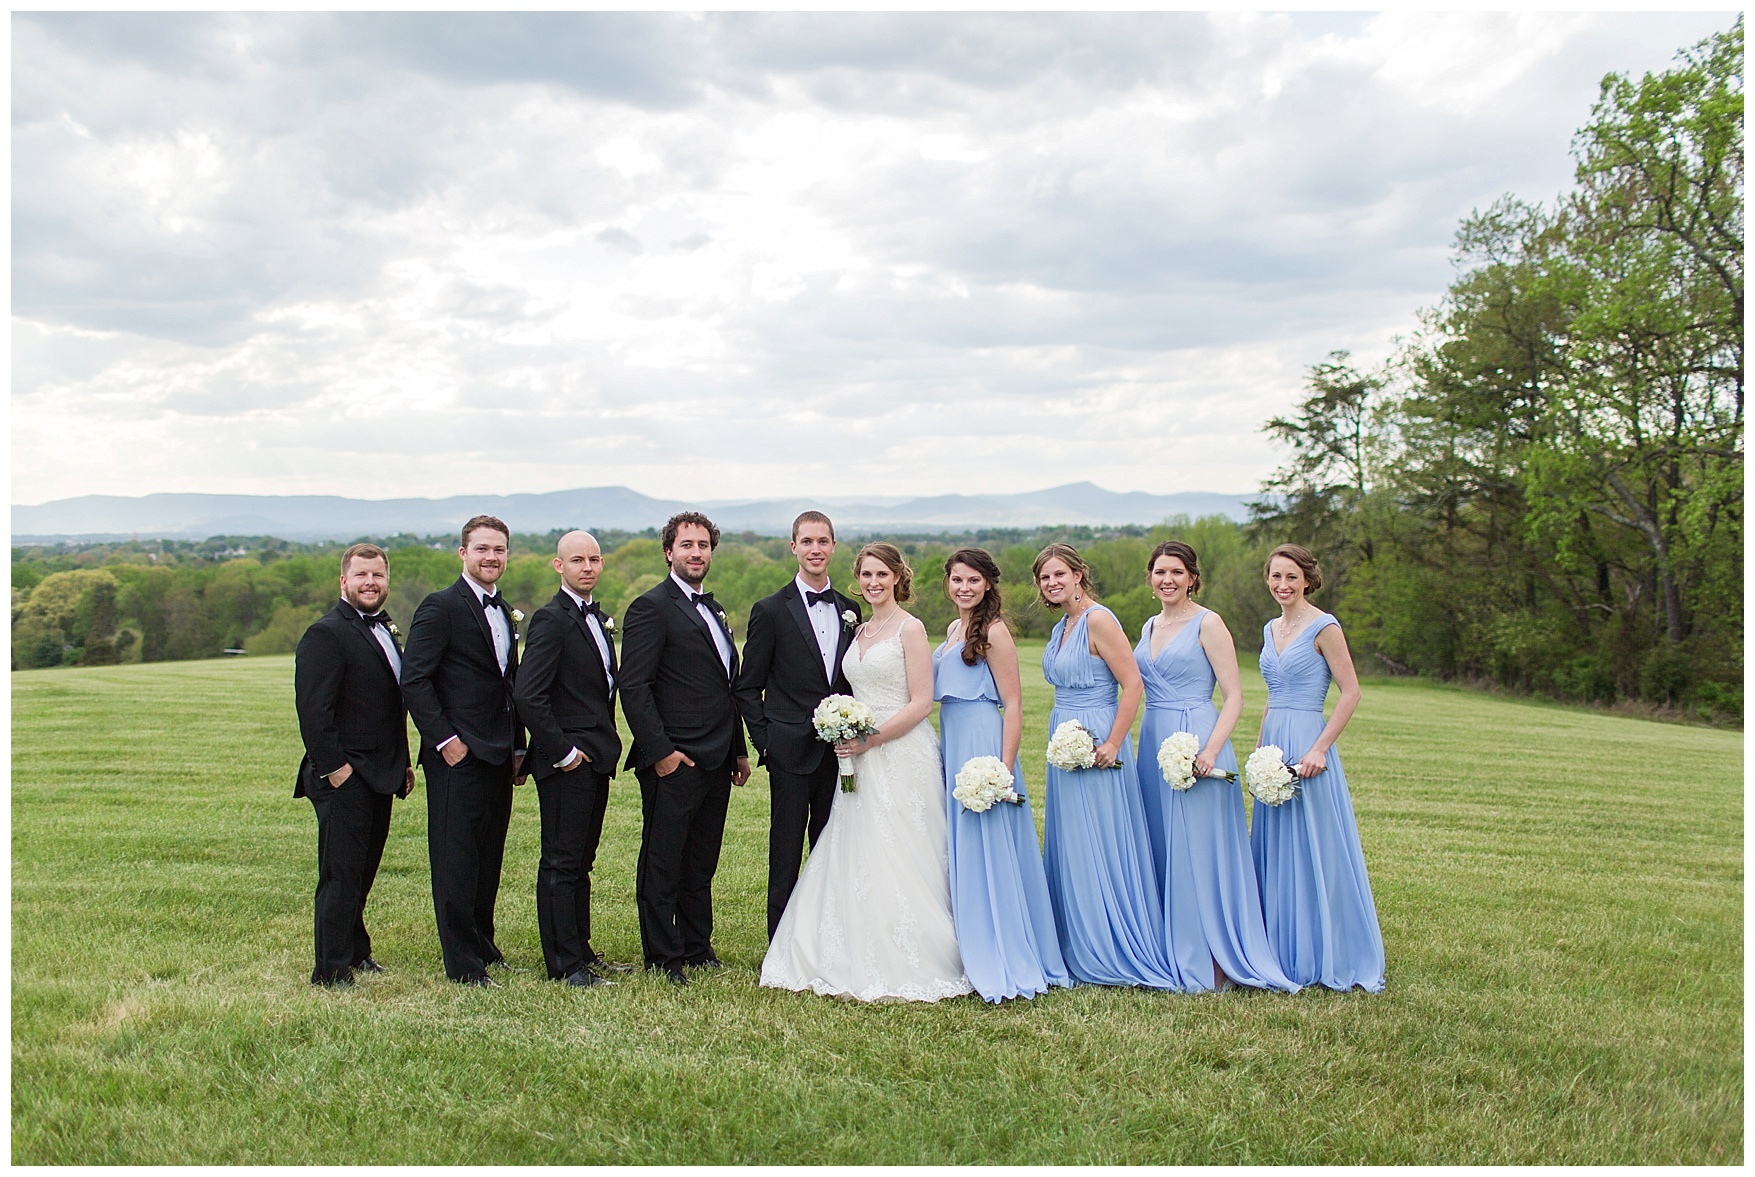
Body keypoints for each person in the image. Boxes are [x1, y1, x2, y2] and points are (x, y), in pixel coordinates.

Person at [761, 543, 973, 1003]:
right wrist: (847, 729)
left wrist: (871, 737)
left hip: (899, 751)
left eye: (882, 574)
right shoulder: (857, 628)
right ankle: (845, 944)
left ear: (898, 576)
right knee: (857, 846)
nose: (874, 582)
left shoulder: (910, 628)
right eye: (866, 575)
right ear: (857, 579)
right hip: (856, 755)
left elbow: (920, 701)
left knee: (903, 846)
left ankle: (920, 949)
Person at [1134, 541, 1297, 994]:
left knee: (1200, 849)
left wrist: (1210, 750)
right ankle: (1173, 946)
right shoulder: (1149, 625)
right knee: (1165, 843)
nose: (1167, 579)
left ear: (1192, 578)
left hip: (1198, 739)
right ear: (1150, 578)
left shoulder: (1208, 623)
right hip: (1154, 741)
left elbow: (1235, 696)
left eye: (1176, 572)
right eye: (1160, 571)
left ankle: (1216, 957)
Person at [1035, 543, 1179, 990]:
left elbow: (1132, 684)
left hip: (1099, 736)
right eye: (1045, 577)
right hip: (1065, 735)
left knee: (1103, 838)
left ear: (1079, 574)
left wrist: (1114, 741)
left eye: (1060, 573)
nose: (1053, 582)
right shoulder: (1064, 625)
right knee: (1075, 841)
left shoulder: (1099, 619)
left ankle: (1112, 942)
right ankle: (1079, 938)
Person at [618, 512, 751, 986]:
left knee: (701, 861)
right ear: (669, 552)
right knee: (663, 860)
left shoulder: (712, 610)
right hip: (675, 760)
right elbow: (634, 687)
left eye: (704, 545)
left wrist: (737, 750)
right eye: (687, 545)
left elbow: (726, 687)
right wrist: (662, 754)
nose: (697, 553)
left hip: (716, 759)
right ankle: (662, 956)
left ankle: (697, 947)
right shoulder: (650, 607)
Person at [934, 548, 1069, 1002]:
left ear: (988, 584)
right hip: (953, 738)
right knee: (963, 846)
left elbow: (1013, 703)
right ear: (948, 583)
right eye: (957, 580)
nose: (964, 587)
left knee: (988, 846)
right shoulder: (955, 629)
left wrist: (1002, 770)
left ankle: (1000, 949)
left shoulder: (994, 631)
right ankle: (969, 940)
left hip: (982, 744)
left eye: (973, 580)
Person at [401, 515, 527, 987]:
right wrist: (445, 741)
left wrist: (518, 747)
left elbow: (507, 686)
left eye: (499, 549)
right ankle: (463, 965)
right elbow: (414, 679)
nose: (491, 557)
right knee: (456, 860)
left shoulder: (504, 609)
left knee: (488, 857)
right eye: (482, 549)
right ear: (463, 554)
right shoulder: (440, 607)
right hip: (457, 756)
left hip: (498, 755)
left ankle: (483, 945)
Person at [1252, 543, 1385, 992]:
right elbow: (1271, 694)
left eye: (1291, 577)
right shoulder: (1270, 629)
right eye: (1275, 577)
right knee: (1276, 846)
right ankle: (1278, 949)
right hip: (1275, 742)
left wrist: (1320, 748)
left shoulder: (1325, 627)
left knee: (1315, 846)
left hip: (1309, 740)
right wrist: (1259, 753)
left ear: (1307, 579)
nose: (1282, 585)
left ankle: (1328, 949)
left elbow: (1351, 692)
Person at [734, 511, 863, 939]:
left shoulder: (850, 609)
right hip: (789, 752)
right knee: (785, 854)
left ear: (833, 547)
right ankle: (782, 945)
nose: (815, 549)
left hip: (840, 755)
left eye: (823, 541)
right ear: (794, 547)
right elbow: (747, 687)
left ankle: (831, 939)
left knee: (835, 849)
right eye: (806, 541)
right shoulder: (770, 610)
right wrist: (767, 741)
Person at [293, 543, 415, 988]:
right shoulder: (325, 634)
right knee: (340, 876)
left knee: (362, 872)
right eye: (361, 575)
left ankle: (357, 951)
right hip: (345, 776)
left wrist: (401, 763)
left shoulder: (384, 630)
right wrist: (335, 770)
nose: (370, 583)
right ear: (343, 581)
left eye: (378, 576)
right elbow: (313, 711)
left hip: (380, 773)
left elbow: (390, 706)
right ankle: (330, 970)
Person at [513, 530, 629, 990]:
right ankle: (564, 965)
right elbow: (528, 694)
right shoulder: (551, 619)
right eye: (577, 560)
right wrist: (562, 753)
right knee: (561, 862)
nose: (587, 567)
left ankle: (581, 951)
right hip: (567, 762)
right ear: (558, 566)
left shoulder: (594, 618)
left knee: (582, 860)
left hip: (595, 758)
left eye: (594, 559)